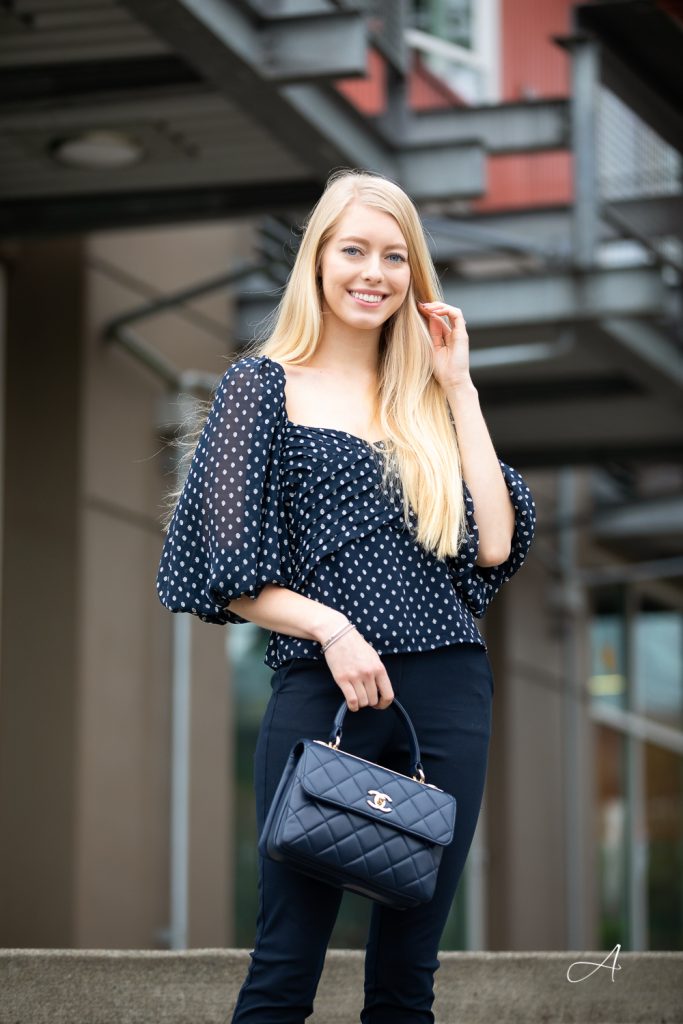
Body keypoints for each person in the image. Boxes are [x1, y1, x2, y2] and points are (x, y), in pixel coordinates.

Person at [156, 167, 537, 1023]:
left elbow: (493, 542)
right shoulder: (259, 388)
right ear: (318, 263)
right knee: (286, 962)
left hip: (445, 694)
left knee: (408, 974)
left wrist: (459, 389)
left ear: (414, 275)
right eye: (353, 250)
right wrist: (332, 629)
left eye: (395, 257)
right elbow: (229, 568)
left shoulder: (426, 402)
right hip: (322, 688)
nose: (374, 272)